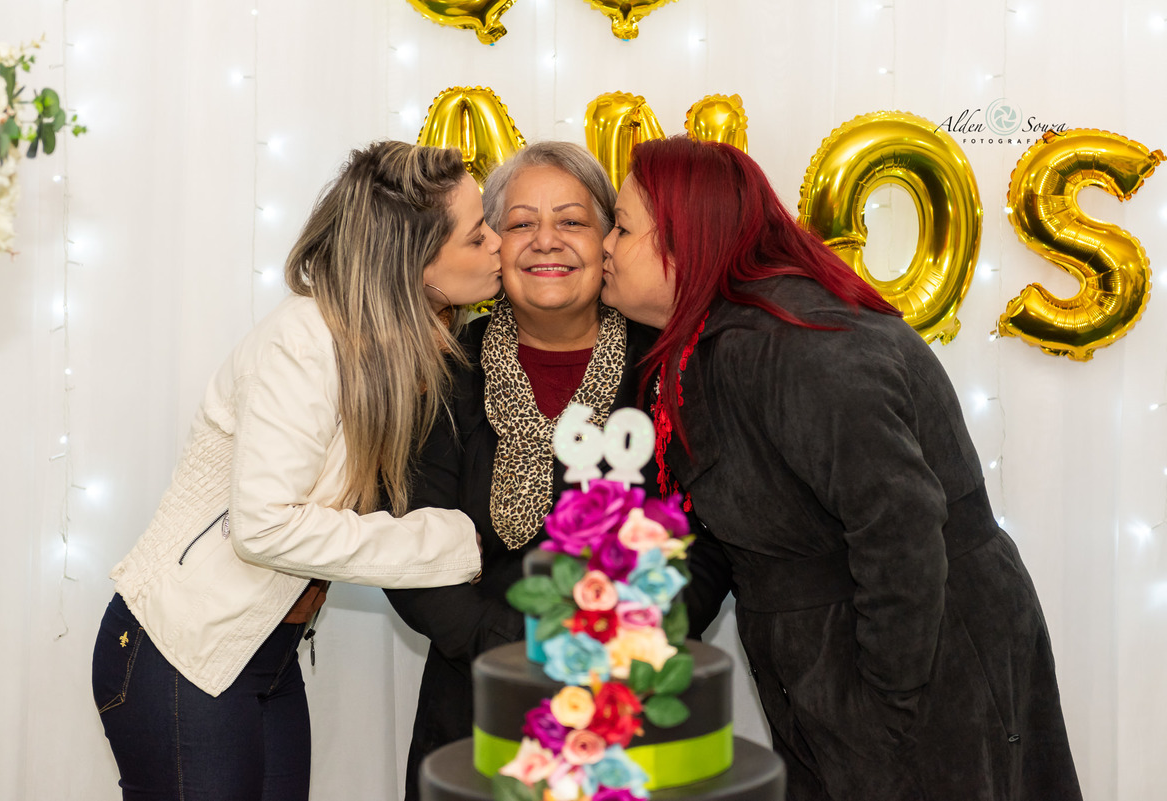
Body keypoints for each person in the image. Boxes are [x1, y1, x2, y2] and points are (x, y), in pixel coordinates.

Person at [599, 136, 1083, 801]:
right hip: (829, 673)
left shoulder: (803, 344)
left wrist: (885, 706)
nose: (604, 245)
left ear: (687, 239)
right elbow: (727, 534)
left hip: (923, 663)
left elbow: (900, 525)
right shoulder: (703, 346)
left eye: (622, 227)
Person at [91, 141, 504, 801]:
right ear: (414, 261)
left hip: (265, 658)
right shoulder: (305, 341)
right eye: (478, 236)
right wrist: (444, 541)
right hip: (179, 657)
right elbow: (264, 527)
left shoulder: (396, 348)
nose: (499, 246)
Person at [385, 141, 731, 801]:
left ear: (608, 241)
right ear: (494, 246)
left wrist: (624, 648)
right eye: (521, 223)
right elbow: (405, 546)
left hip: (630, 708)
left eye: (572, 220)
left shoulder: (668, 367)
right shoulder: (440, 372)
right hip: (477, 708)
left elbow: (711, 539)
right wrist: (519, 651)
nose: (547, 241)